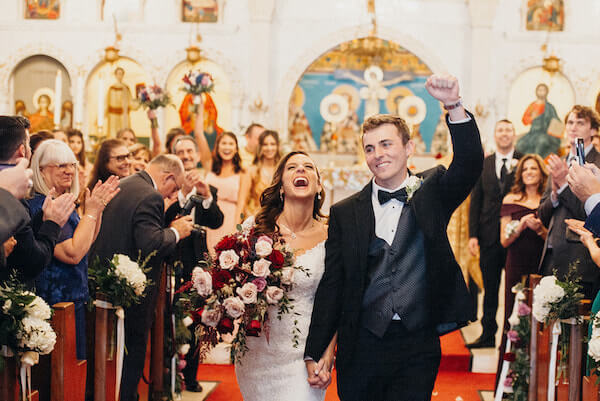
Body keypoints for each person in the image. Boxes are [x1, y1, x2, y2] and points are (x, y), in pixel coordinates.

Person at [305, 74, 483, 401]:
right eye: (370, 148)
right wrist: (316, 349)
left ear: (408, 147)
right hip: (361, 344)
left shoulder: (433, 191)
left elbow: (470, 164)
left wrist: (453, 106)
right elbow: (334, 282)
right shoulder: (346, 211)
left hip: (417, 343)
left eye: (386, 144)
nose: (378, 154)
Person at [90, 155, 195, 401]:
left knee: (109, 358)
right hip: (131, 294)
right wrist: (175, 232)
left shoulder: (125, 184)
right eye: (175, 187)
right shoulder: (151, 195)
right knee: (131, 355)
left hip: (104, 281)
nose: (172, 194)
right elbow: (150, 243)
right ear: (168, 176)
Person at [235, 151, 334, 401]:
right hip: (256, 354)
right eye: (292, 167)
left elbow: (337, 300)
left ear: (319, 185)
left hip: (304, 357)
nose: (301, 170)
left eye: (308, 167)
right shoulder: (255, 228)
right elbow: (233, 282)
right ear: (280, 186)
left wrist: (328, 353)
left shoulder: (332, 235)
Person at [28, 139, 120, 359]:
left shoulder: (62, 200)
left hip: (71, 298)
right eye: (61, 165)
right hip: (56, 303)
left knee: (75, 369)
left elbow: (86, 243)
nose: (69, 170)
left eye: (72, 164)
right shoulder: (43, 205)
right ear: (40, 170)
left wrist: (96, 210)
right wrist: (91, 212)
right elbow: (73, 253)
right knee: (63, 372)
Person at [169, 135, 224, 391]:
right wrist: (181, 193)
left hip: (197, 264)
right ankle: (168, 378)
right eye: (181, 152)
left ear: (197, 156)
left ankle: (190, 377)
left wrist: (206, 196)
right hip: (172, 260)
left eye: (190, 151)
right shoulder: (168, 187)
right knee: (171, 321)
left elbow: (216, 221)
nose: (187, 156)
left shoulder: (206, 187)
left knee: (195, 321)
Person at [467, 119, 522, 348]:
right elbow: (475, 201)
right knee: (490, 288)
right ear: (495, 134)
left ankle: (515, 336)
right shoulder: (484, 163)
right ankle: (488, 334)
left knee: (515, 287)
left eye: (508, 130)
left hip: (514, 236)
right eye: (500, 130)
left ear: (513, 134)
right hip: (488, 235)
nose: (504, 134)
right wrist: (473, 235)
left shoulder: (523, 161)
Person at [1, 116, 75, 284]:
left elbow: (22, 239)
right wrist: (53, 223)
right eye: (28, 144)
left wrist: (42, 218)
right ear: (22, 151)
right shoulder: (11, 194)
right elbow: (32, 261)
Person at [538, 105, 600, 299]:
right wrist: (555, 196)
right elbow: (542, 214)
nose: (573, 127)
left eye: (580, 123)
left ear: (593, 130)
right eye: (570, 122)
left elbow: (592, 214)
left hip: (579, 259)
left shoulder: (597, 163)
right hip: (551, 254)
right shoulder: (561, 160)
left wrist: (565, 185)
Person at [496, 154, 547, 383]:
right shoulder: (511, 198)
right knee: (513, 316)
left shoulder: (548, 201)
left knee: (538, 318)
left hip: (541, 265)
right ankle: (507, 378)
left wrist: (539, 230)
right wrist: (522, 225)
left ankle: (533, 381)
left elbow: (551, 238)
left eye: (533, 168)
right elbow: (504, 241)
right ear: (520, 174)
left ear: (541, 173)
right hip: (516, 263)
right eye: (525, 168)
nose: (529, 172)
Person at [194, 102, 251, 252]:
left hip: (230, 221)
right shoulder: (209, 165)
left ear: (236, 148)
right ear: (217, 147)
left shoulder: (243, 173)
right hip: (208, 219)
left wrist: (236, 229)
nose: (227, 147)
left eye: (231, 144)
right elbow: (199, 134)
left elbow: (241, 205)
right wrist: (198, 101)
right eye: (223, 143)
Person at [516, 83, 561, 158]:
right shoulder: (532, 105)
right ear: (536, 92)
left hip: (544, 133)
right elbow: (524, 120)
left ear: (546, 92)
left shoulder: (550, 107)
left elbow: (556, 121)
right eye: (539, 90)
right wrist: (532, 118)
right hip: (532, 133)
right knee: (520, 144)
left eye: (543, 90)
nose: (541, 92)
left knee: (541, 142)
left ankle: (537, 162)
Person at [245, 130, 281, 217]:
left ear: (278, 146)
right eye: (265, 144)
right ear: (260, 147)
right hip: (256, 219)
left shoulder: (282, 170)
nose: (269, 148)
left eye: (272, 144)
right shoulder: (251, 171)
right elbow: (243, 202)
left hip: (279, 219)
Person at [106, 67, 140, 138]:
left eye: (121, 74)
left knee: (124, 133)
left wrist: (139, 101)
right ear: (115, 75)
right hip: (113, 116)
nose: (119, 76)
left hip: (123, 115)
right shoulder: (111, 88)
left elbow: (131, 102)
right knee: (113, 135)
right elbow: (106, 103)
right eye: (118, 74)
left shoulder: (126, 88)